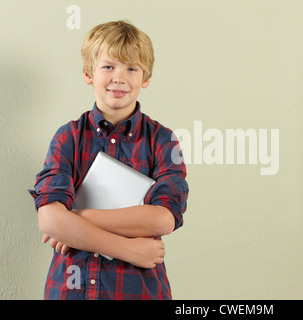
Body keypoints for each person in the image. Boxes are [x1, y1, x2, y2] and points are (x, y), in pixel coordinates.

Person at [28, 20, 189, 300]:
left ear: (146, 78)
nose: (119, 77)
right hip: (70, 291)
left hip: (137, 291)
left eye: (132, 68)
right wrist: (126, 249)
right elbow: (50, 219)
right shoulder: (69, 138)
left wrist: (73, 220)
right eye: (108, 66)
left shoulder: (163, 140)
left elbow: (164, 218)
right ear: (88, 73)